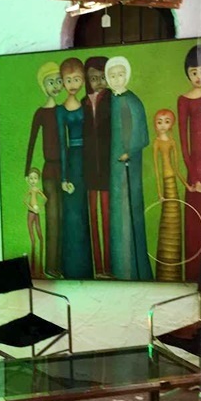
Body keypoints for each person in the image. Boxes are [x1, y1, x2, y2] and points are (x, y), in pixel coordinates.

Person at [105, 56, 152, 281]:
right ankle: (120, 268)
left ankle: (134, 270)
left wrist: (129, 150)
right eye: (112, 75)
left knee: (130, 211)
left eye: (120, 74)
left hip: (128, 165)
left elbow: (142, 133)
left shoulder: (133, 101)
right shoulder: (109, 102)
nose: (117, 79)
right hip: (114, 168)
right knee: (117, 214)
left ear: (127, 75)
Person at [24, 62, 64, 277]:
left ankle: (61, 264)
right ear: (43, 86)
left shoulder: (63, 110)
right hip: (49, 169)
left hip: (65, 169)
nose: (56, 85)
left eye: (59, 81)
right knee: (52, 216)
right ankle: (51, 266)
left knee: (64, 216)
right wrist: (26, 170)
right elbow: (32, 140)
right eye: (51, 82)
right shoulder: (41, 113)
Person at [56, 58, 93, 279]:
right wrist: (63, 177)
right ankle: (71, 267)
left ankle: (87, 268)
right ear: (62, 81)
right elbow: (62, 144)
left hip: (88, 161)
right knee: (72, 216)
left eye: (77, 79)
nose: (72, 84)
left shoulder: (87, 106)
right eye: (68, 80)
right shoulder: (60, 111)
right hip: (72, 163)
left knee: (86, 214)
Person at [152, 108, 192, 282]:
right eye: (159, 122)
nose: (163, 125)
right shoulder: (156, 143)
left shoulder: (172, 142)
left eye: (166, 121)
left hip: (173, 185)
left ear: (171, 124)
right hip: (165, 185)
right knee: (166, 225)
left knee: (174, 224)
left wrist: (187, 185)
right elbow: (156, 170)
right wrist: (160, 193)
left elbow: (176, 167)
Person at [177, 44, 201, 283]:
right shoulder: (184, 100)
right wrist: (194, 176)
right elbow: (184, 143)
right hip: (195, 171)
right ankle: (195, 277)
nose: (199, 76)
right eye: (194, 72)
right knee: (196, 226)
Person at [81, 56, 112, 277]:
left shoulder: (112, 100)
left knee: (107, 217)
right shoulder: (83, 103)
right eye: (93, 78)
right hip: (90, 167)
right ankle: (98, 268)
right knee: (92, 217)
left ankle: (109, 266)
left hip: (108, 167)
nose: (98, 82)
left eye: (103, 77)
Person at [23, 167, 47, 277]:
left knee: (41, 238)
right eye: (31, 178)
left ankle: (40, 267)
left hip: (36, 213)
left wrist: (39, 208)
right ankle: (32, 268)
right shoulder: (30, 190)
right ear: (28, 179)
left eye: (35, 178)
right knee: (33, 240)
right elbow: (25, 201)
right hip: (30, 214)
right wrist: (32, 209)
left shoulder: (37, 190)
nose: (33, 180)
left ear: (38, 179)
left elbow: (45, 199)